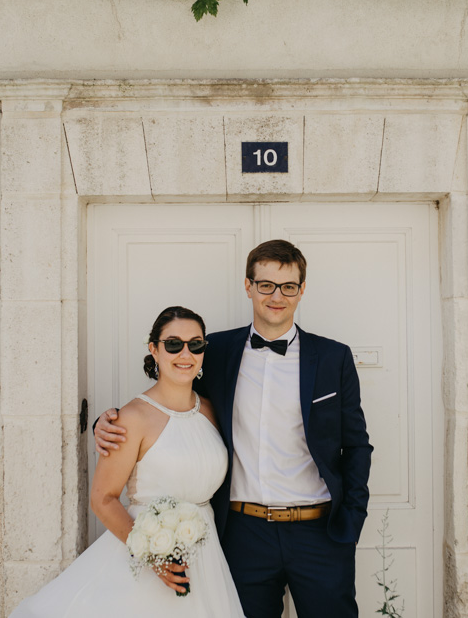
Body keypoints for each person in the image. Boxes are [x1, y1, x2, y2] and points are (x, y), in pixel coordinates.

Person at [96, 240, 373, 618]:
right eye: (265, 285)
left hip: (319, 533)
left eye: (288, 286)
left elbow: (357, 445)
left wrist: (351, 522)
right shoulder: (216, 350)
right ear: (248, 286)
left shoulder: (333, 357)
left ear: (301, 290)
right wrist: (107, 422)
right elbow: (176, 401)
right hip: (243, 534)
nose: (277, 296)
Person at [11, 306, 246, 618]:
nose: (185, 353)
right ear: (154, 349)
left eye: (196, 344)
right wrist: (153, 557)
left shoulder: (211, 411)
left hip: (206, 557)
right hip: (145, 554)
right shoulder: (131, 418)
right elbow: (103, 498)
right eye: (173, 344)